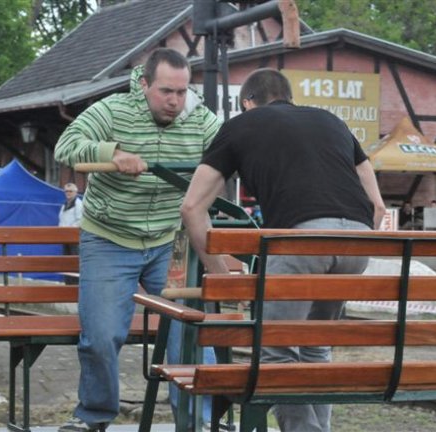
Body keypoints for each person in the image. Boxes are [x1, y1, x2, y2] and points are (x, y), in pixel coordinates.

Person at [180, 68, 386, 432]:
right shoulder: (331, 121)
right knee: (315, 346)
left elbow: (192, 207)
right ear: (289, 97)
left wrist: (222, 276)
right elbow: (378, 206)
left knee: (277, 352)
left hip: (300, 239)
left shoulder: (241, 125)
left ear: (247, 103)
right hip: (358, 240)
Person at [54, 48, 221, 431]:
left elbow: (231, 147)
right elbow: (67, 144)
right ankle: (93, 415)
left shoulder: (200, 118)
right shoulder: (113, 110)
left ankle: (200, 421)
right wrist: (112, 152)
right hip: (109, 237)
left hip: (170, 239)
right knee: (101, 335)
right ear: (144, 84)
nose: (175, 101)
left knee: (190, 331)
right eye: (166, 91)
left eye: (181, 92)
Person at [58, 183, 83, 285]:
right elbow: (61, 220)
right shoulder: (64, 205)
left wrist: (69, 230)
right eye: (66, 191)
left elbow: (80, 220)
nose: (68, 193)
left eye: (70, 191)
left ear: (75, 192)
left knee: (74, 261)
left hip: (74, 238)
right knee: (66, 262)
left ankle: (75, 284)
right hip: (65, 238)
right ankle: (68, 283)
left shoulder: (78, 204)